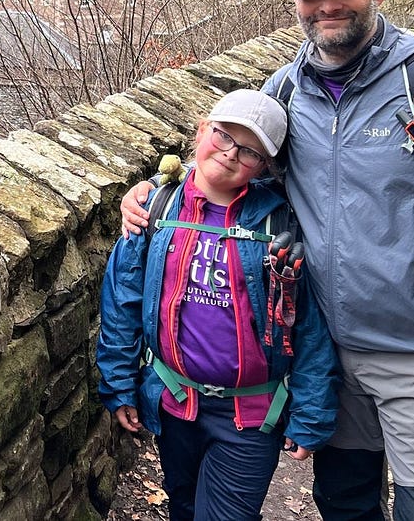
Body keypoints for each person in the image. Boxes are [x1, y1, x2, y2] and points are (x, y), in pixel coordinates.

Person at [120, 0, 414, 521]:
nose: (327, 5)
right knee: (344, 502)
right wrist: (158, 192)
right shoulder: (287, 90)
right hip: (323, 356)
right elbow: (238, 171)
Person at [98, 89, 338, 521]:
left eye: (248, 151)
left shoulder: (280, 222)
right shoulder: (156, 207)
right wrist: (118, 385)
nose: (229, 154)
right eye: (223, 135)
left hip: (250, 415)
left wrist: (312, 409)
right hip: (175, 403)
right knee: (185, 506)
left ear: (264, 166)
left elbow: (308, 324)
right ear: (201, 130)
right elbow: (122, 303)